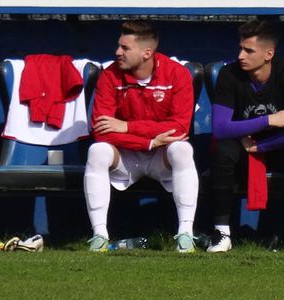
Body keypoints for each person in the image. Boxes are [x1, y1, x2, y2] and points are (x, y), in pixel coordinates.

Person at [84, 21, 199, 253]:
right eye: (119, 46)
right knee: (97, 151)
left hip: (160, 158)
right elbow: (101, 130)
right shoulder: (109, 76)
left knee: (182, 149)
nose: (118, 52)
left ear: (147, 53)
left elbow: (178, 128)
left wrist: (126, 127)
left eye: (125, 48)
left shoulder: (177, 74)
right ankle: (99, 237)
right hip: (126, 158)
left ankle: (185, 235)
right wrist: (148, 140)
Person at [206, 20, 284, 253]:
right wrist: (268, 120)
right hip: (244, 148)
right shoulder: (230, 74)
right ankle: (222, 232)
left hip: (277, 146)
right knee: (224, 150)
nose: (241, 56)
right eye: (240, 48)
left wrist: (262, 146)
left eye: (249, 50)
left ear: (269, 54)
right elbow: (220, 128)